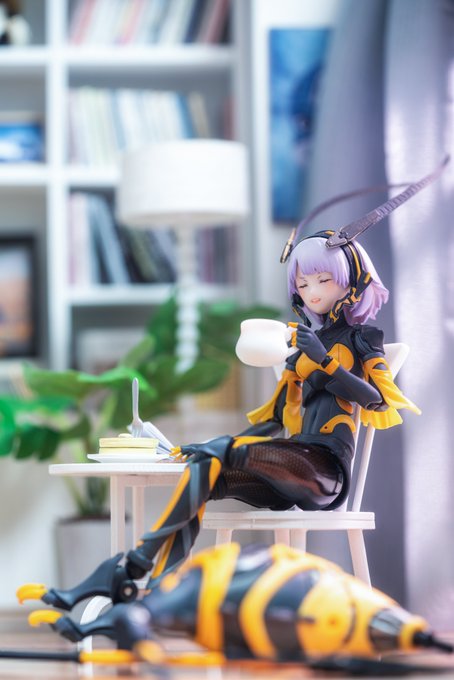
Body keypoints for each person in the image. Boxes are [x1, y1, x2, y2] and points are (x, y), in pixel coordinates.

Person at [18, 157, 446, 618]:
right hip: (291, 465)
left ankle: (132, 570)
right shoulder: (300, 347)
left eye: (323, 280)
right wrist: (208, 447)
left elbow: (377, 400)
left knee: (222, 453)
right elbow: (274, 423)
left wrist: (324, 361)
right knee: (207, 469)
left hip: (325, 472)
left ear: (350, 282)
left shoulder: (362, 339)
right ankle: (148, 590)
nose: (313, 291)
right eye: (304, 283)